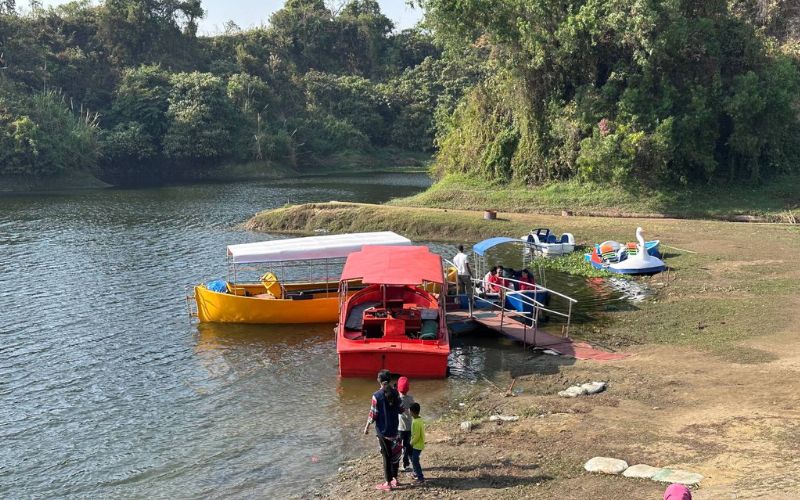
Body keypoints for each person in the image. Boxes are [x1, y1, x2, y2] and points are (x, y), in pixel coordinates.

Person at [364, 369, 404, 491]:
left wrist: (366, 427)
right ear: (390, 380)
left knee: (386, 457)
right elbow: (401, 409)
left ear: (379, 381)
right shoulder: (396, 393)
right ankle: (395, 479)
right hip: (395, 429)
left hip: (383, 432)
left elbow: (373, 414)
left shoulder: (376, 396)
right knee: (396, 453)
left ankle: (388, 483)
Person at [397, 376, 415, 472]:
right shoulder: (411, 399)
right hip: (409, 427)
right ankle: (407, 463)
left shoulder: (397, 399)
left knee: (400, 446)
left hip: (399, 427)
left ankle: (402, 463)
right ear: (408, 388)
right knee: (408, 445)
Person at [409, 402, 426, 483]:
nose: (409, 412)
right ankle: (415, 473)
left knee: (415, 460)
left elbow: (417, 436)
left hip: (417, 445)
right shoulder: (419, 419)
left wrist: (411, 443)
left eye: (409, 411)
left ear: (412, 412)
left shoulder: (416, 422)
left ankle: (420, 477)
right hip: (420, 443)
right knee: (414, 458)